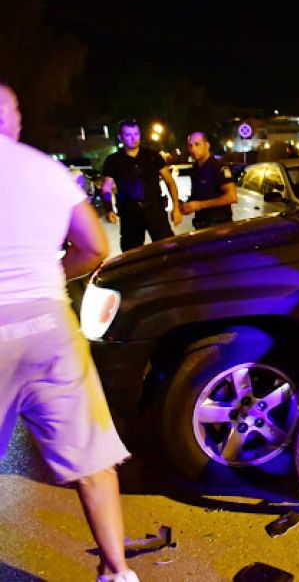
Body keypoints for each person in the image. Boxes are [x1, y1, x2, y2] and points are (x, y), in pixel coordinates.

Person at [0, 82, 138, 582]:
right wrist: (51, 274)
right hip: (49, 326)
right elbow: (95, 246)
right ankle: (117, 571)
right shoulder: (47, 170)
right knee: (93, 457)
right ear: (11, 118)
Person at [100, 119, 182, 252]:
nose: (134, 138)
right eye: (128, 135)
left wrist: (176, 208)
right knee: (131, 253)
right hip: (130, 214)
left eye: (136, 134)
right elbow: (105, 188)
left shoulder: (152, 156)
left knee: (168, 248)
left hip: (155, 210)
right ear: (120, 138)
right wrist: (109, 209)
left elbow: (169, 181)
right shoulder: (113, 161)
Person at [180, 131, 237, 229]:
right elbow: (198, 196)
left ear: (207, 146)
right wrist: (187, 206)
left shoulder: (218, 167)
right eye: (190, 146)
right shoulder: (195, 169)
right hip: (201, 225)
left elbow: (232, 197)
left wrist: (200, 205)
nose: (193, 149)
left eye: (197, 144)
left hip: (219, 226)